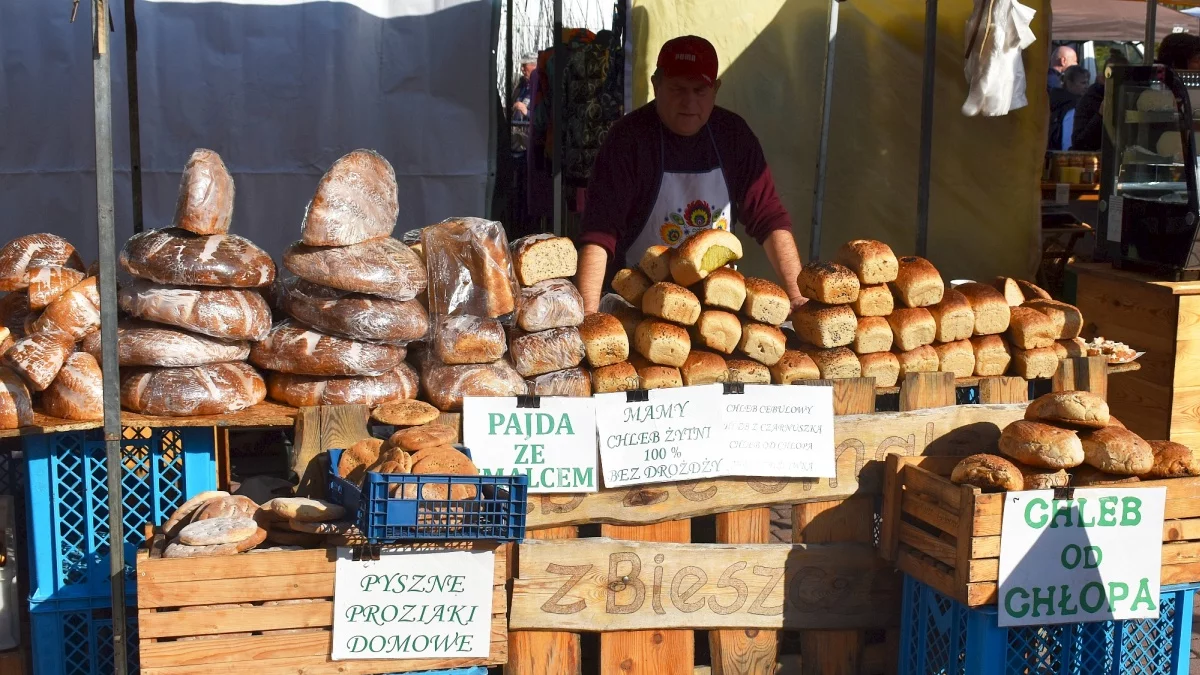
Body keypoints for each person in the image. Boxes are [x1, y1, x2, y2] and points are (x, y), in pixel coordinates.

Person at [575, 35, 804, 312]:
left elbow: (768, 218)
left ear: (716, 89)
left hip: (717, 304)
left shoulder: (734, 136)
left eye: (700, 90)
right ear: (656, 85)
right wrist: (587, 312)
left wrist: (796, 295)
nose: (689, 103)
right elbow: (600, 231)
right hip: (640, 306)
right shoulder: (628, 139)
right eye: (677, 89)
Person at [1071, 52, 1130, 152]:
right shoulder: (1091, 99)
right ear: (1103, 78)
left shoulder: (1131, 99)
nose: (1118, 84)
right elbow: (1079, 144)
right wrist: (1100, 116)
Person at [1049, 65, 1089, 151]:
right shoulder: (1072, 108)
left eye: (1087, 82)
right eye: (1083, 83)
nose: (1086, 86)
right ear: (1070, 83)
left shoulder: (1055, 100)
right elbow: (1067, 143)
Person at [512, 54, 536, 121]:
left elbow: (546, 119)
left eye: (524, 65)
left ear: (535, 67)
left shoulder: (543, 89)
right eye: (521, 66)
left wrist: (526, 112)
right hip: (516, 128)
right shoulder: (521, 86)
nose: (522, 69)